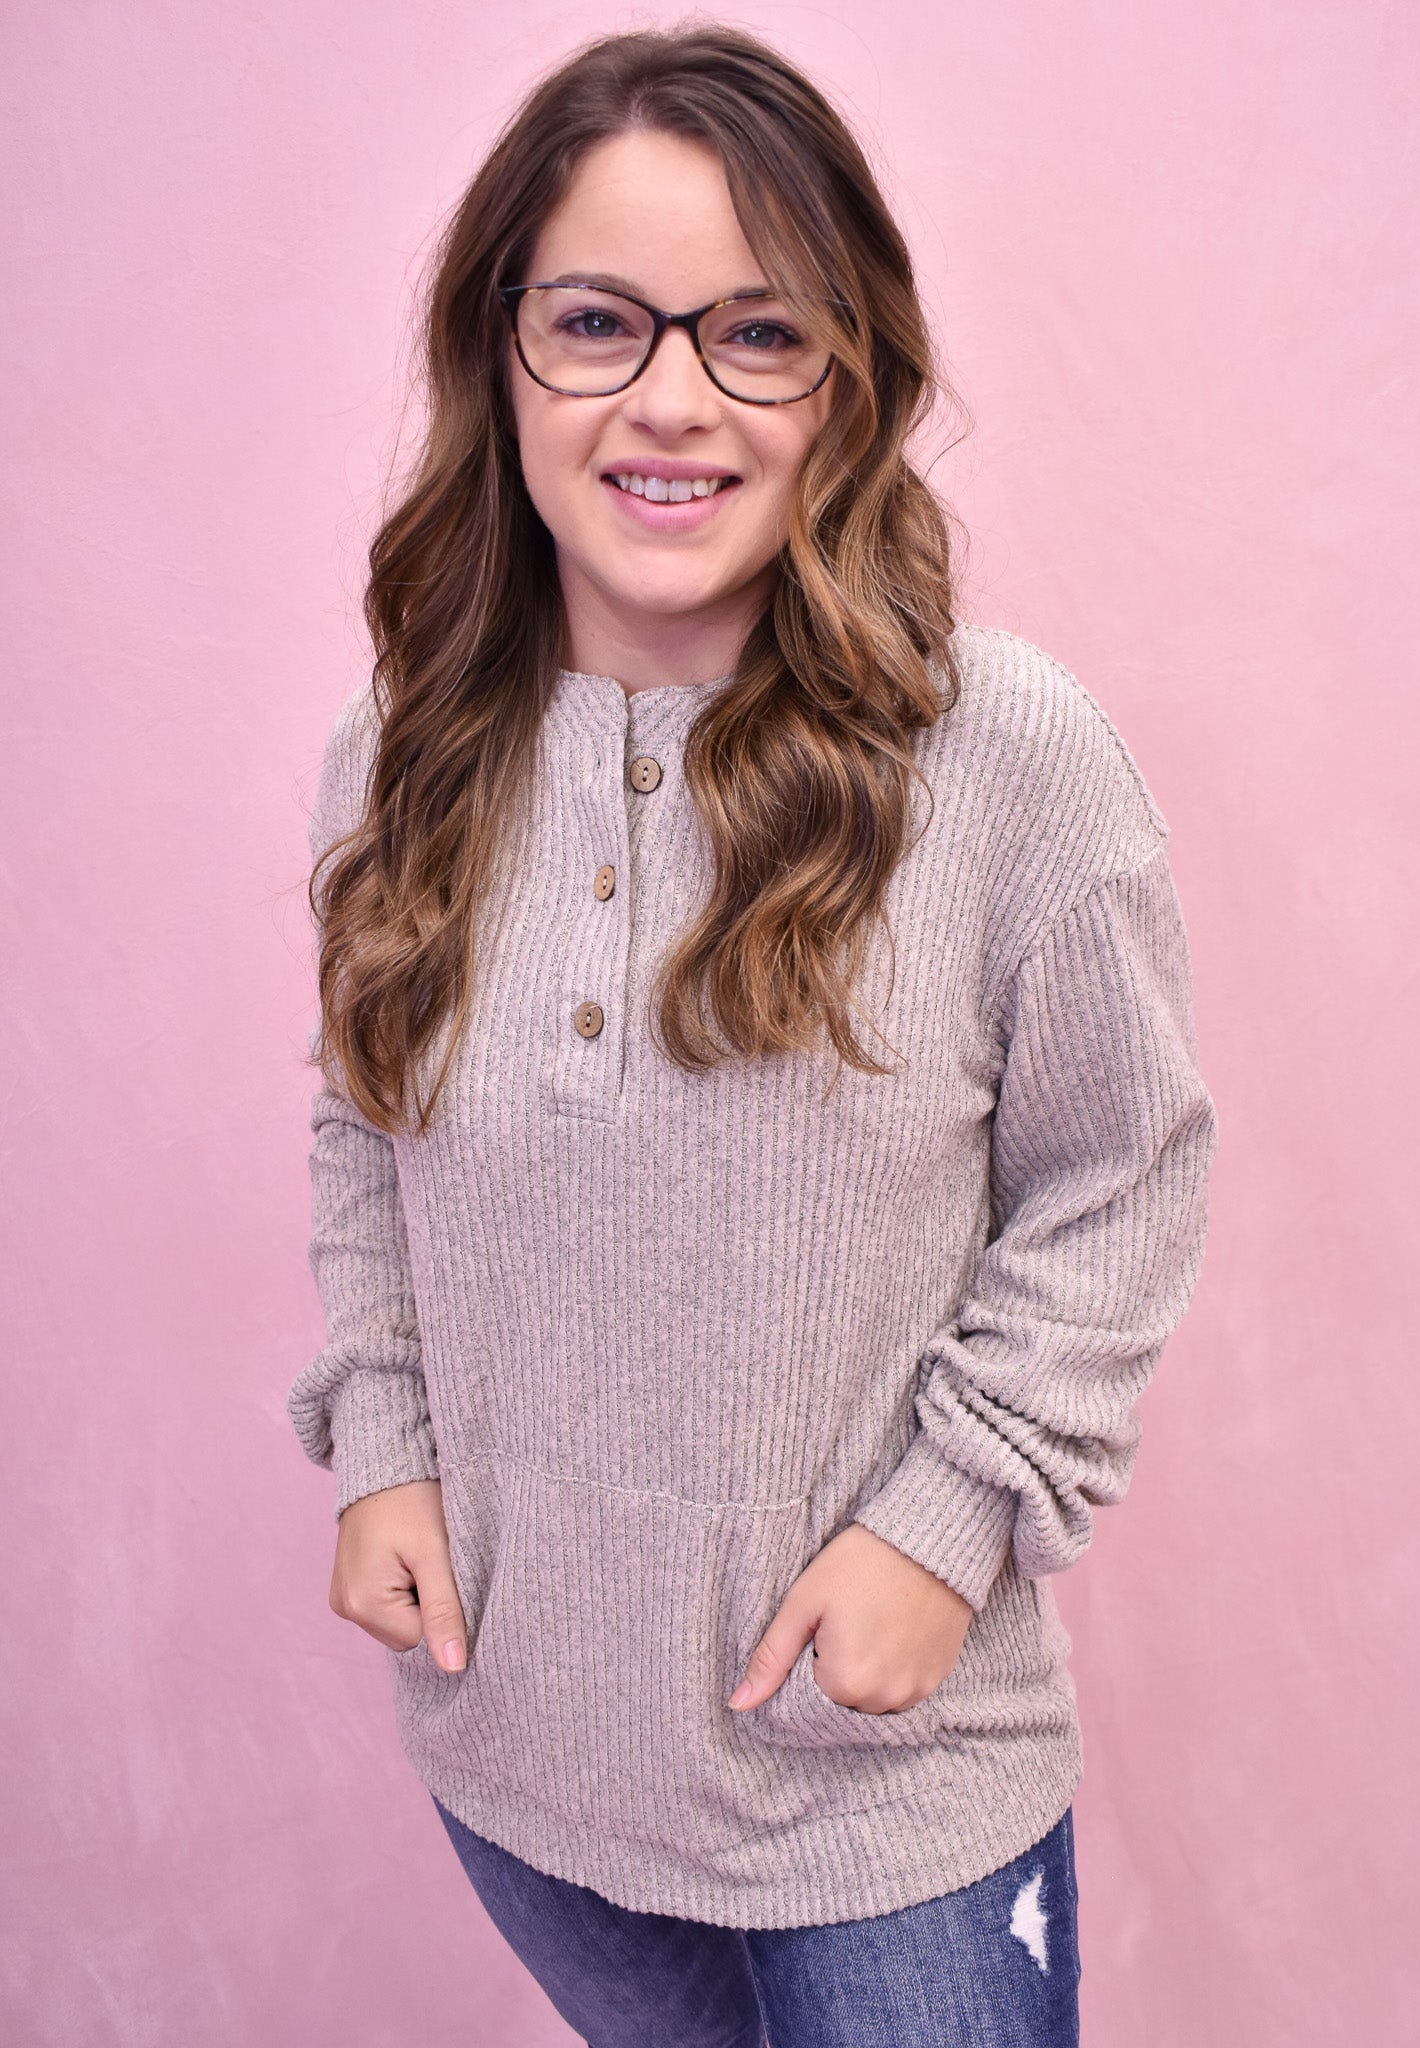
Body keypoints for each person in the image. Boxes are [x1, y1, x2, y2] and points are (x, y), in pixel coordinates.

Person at [286, 23, 1219, 2046]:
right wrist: (383, 1438)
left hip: (886, 1796)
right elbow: (362, 1117)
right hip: (515, 1758)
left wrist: (942, 1520)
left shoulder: (1009, 760)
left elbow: (1121, 1173)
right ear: (500, 354)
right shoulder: (402, 756)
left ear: (846, 375)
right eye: (599, 323)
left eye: (758, 335)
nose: (672, 400)